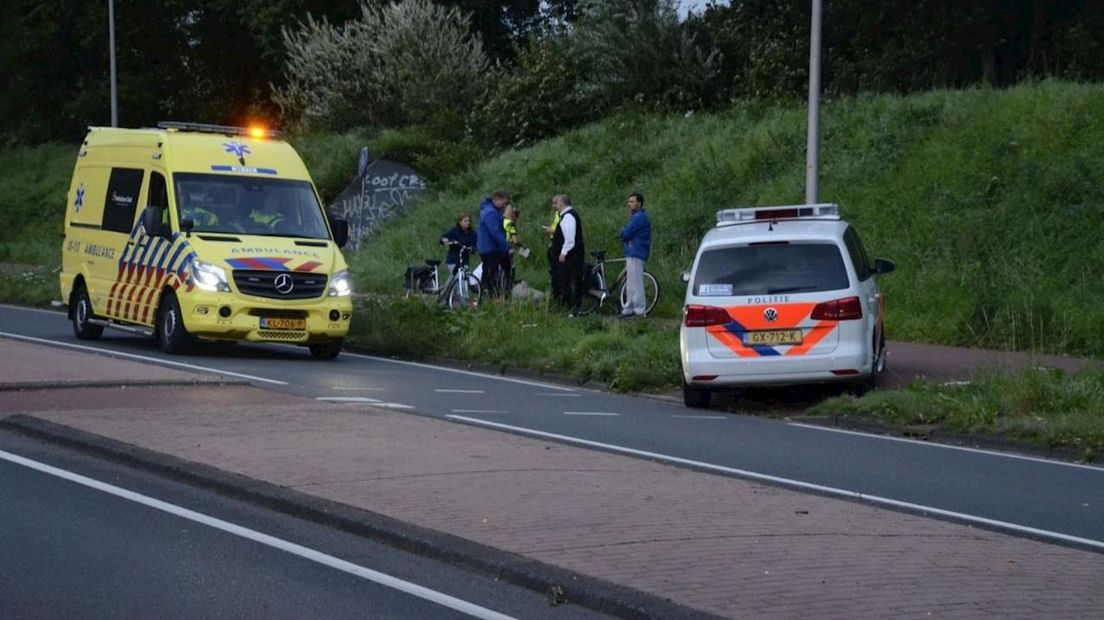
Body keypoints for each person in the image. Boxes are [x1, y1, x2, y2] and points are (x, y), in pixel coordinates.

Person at [548, 194, 584, 313]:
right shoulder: (566, 216)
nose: (555, 206)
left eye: (556, 203)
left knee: (566, 280)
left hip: (570, 256)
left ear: (562, 203)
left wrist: (563, 253)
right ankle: (568, 305)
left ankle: (570, 306)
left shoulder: (568, 217)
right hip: (570, 254)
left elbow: (569, 239)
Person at [619, 191, 652, 318]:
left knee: (636, 282)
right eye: (629, 201)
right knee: (631, 282)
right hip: (633, 251)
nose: (629, 204)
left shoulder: (639, 217)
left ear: (639, 203)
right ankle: (629, 307)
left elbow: (626, 233)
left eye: (632, 201)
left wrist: (623, 232)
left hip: (636, 252)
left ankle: (639, 310)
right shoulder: (637, 217)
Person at [476, 191, 511, 297]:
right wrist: (506, 246)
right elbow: (495, 232)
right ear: (497, 200)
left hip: (490, 248)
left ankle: (488, 295)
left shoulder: (490, 211)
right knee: (490, 273)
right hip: (490, 248)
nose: (504, 206)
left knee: (490, 272)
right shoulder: (490, 213)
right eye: (503, 203)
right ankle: (487, 296)